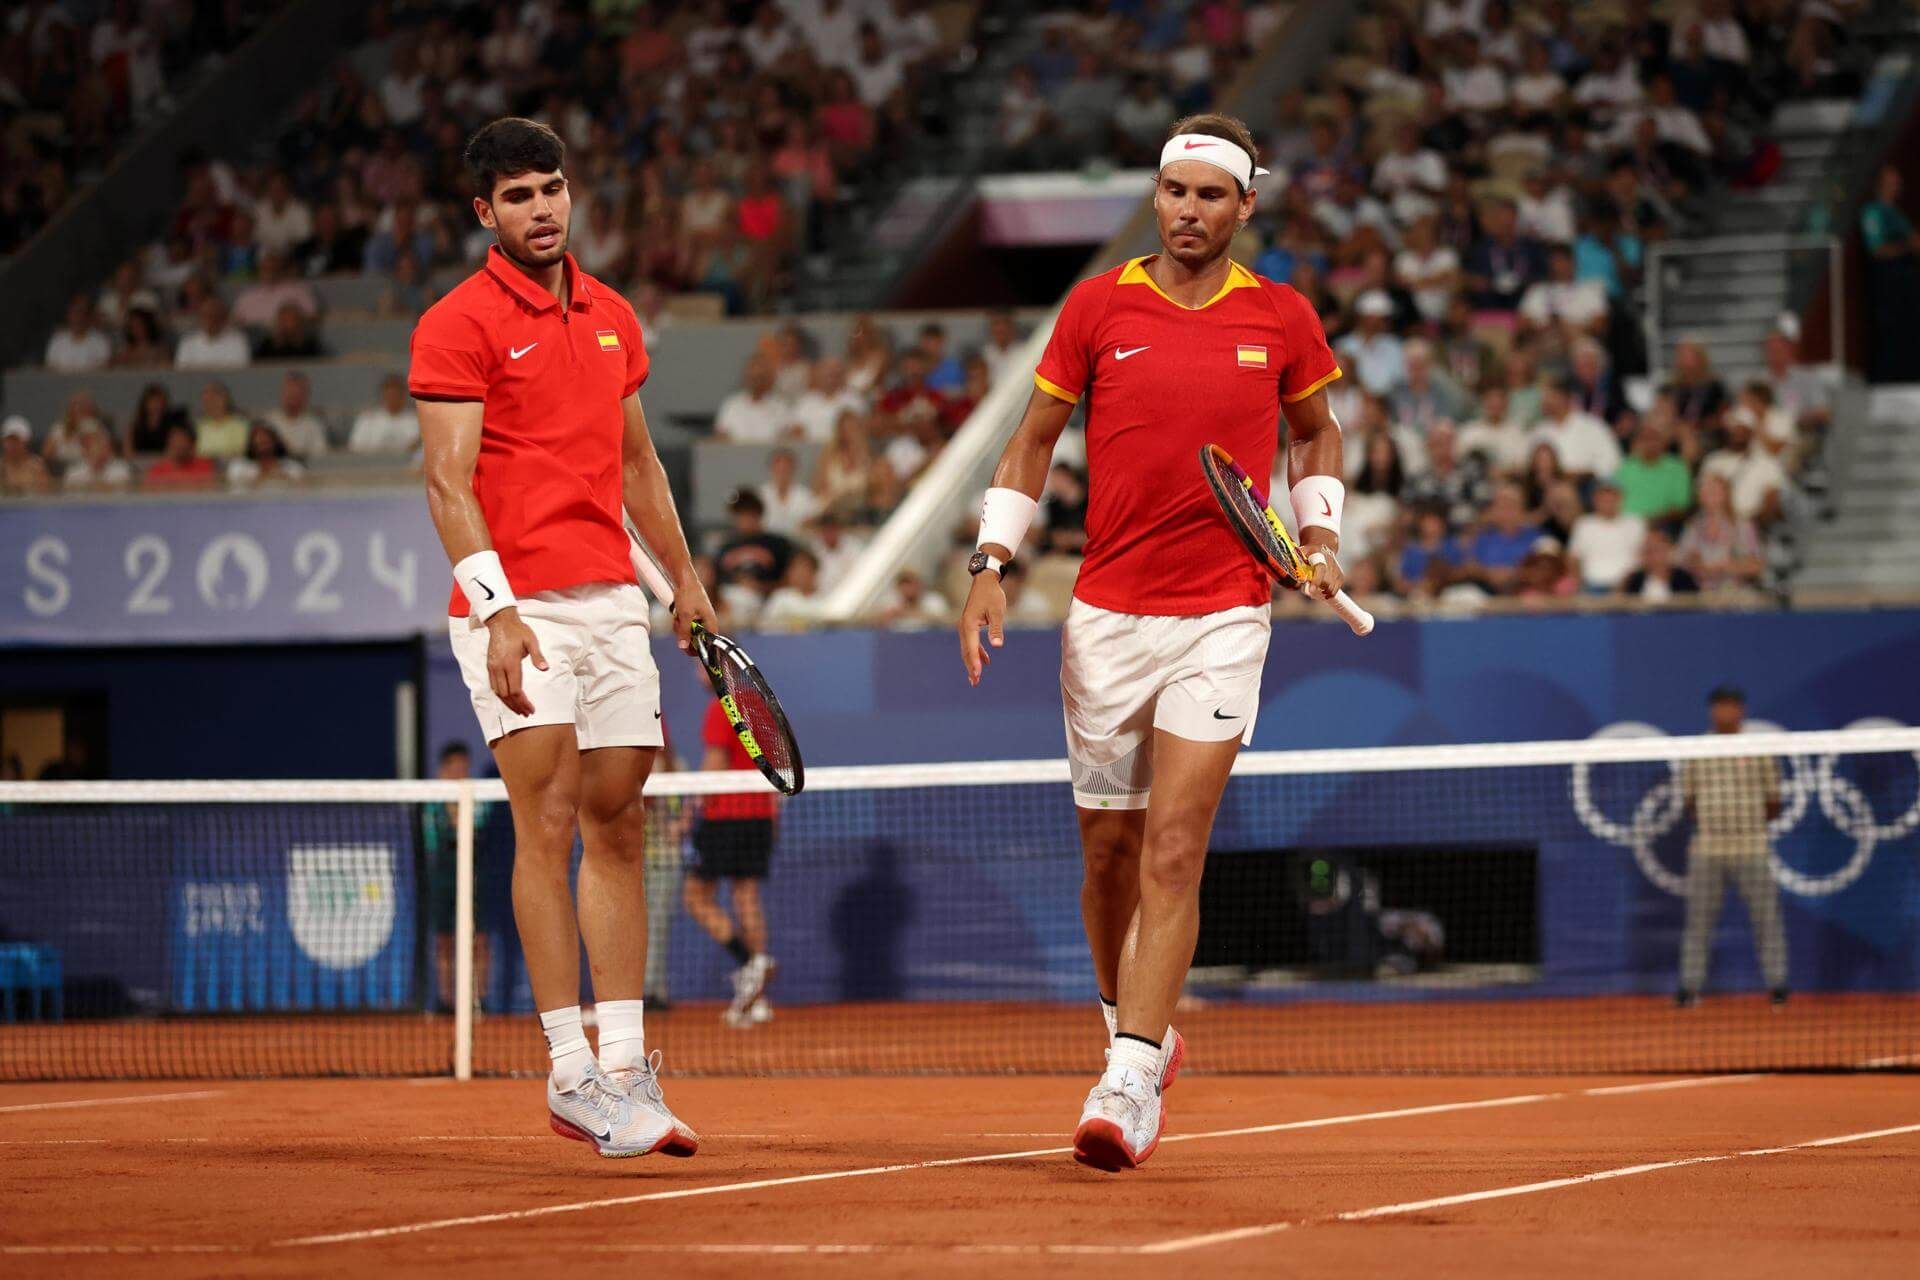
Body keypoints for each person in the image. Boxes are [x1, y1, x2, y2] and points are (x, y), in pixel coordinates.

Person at [958, 114, 1345, 1171]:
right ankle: (1130, 1023)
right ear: (1157, 194)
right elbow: (1033, 440)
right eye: (1175, 191)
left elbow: (1316, 430)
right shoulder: (1097, 305)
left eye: (1211, 196)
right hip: (1106, 619)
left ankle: (1128, 1076)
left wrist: (1319, 536)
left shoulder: (1281, 315)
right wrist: (990, 564)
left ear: (1245, 206)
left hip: (1225, 613)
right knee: (1110, 856)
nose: (1188, 211)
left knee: (1175, 847)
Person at [410, 118, 713, 1160]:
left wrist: (685, 579)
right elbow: (447, 482)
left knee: (618, 819)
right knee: (544, 820)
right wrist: (496, 608)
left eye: (552, 188)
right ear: (484, 212)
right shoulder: (455, 324)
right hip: (520, 611)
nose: (541, 209)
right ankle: (569, 1070)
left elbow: (637, 465)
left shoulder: (614, 314)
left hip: (614, 601)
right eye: (519, 196)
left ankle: (626, 1065)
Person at [1676, 687, 1788, 1008]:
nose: (1725, 712)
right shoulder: (1698, 749)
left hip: (1752, 847)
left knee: (1767, 919)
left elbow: (1774, 800)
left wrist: (1747, 824)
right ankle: (1689, 989)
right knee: (1698, 922)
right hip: (1708, 849)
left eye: (1731, 706)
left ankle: (1778, 987)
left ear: (1741, 710)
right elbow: (1689, 800)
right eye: (1720, 706)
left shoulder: (1758, 749)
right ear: (1712, 711)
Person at [682, 698, 779, 1028]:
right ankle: (757, 999)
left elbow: (716, 760)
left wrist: (688, 812)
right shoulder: (762, 704)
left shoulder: (720, 706)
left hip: (726, 814)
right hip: (760, 813)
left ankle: (750, 962)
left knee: (695, 897)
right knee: (746, 896)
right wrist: (772, 818)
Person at [421, 742, 495, 1014]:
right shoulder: (432, 801)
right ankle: (446, 1000)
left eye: (464, 766)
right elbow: (430, 840)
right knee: (444, 940)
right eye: (455, 766)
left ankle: (479, 999)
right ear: (444, 769)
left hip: (475, 876)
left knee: (479, 939)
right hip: (443, 877)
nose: (460, 771)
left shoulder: (480, 798)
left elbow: (481, 827)